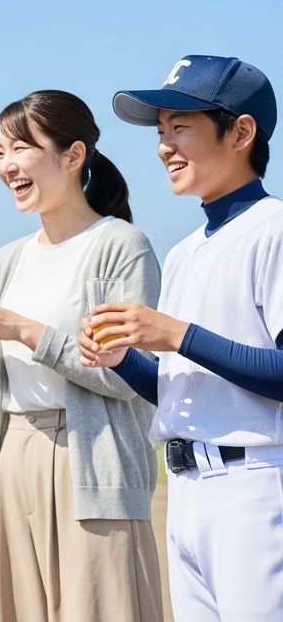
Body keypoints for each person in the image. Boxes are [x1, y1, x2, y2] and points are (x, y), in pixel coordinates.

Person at [0, 91, 163, 622]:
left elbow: (125, 379)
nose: (7, 166)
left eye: (21, 148)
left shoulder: (121, 246)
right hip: (11, 452)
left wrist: (23, 329)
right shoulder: (7, 258)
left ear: (73, 155)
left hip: (91, 461)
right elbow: (2, 386)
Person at [80, 56, 283, 620]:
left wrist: (175, 333)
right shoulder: (184, 249)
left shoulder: (275, 230)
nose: (163, 145)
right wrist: (123, 359)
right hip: (186, 489)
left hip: (257, 486)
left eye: (181, 127)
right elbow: (181, 389)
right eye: (161, 130)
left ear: (241, 131)